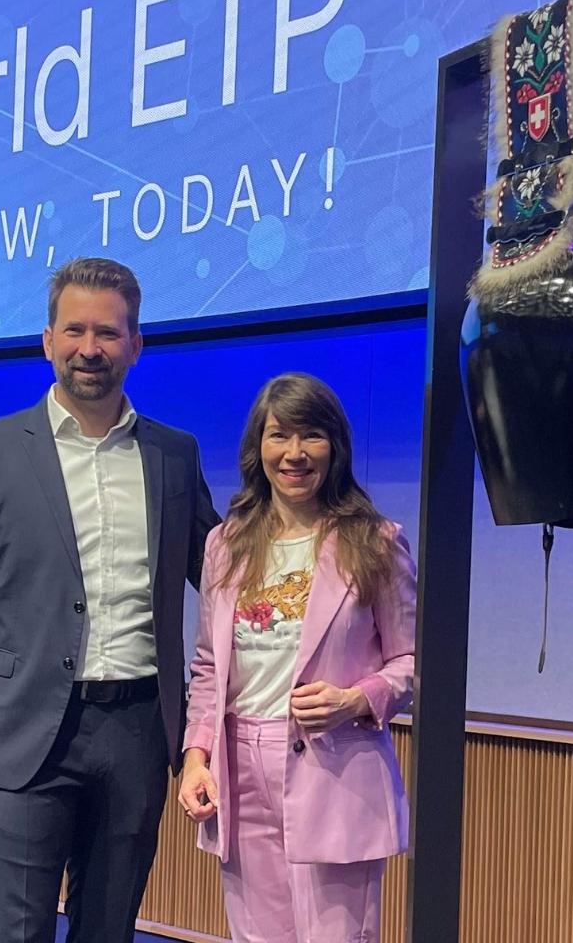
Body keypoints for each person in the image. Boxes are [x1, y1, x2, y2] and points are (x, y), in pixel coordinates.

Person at [0, 257, 221, 943]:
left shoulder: (175, 455)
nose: (91, 348)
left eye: (108, 333)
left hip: (139, 732)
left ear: (135, 345)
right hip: (23, 731)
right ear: (48, 340)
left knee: (108, 930)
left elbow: (223, 575)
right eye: (76, 331)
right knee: (17, 930)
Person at [177, 372, 417, 943]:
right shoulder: (225, 544)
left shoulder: (376, 541)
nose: (295, 453)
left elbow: (412, 662)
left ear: (334, 446)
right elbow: (209, 666)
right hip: (239, 768)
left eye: (311, 435)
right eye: (279, 435)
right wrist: (195, 757)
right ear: (257, 447)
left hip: (335, 770)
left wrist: (355, 699)